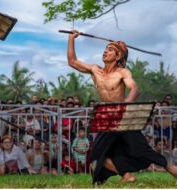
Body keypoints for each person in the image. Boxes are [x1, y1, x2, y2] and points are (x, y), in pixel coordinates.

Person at [67, 30, 177, 184]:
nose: (105, 51)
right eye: (105, 49)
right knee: (96, 156)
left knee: (140, 149)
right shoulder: (95, 70)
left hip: (123, 117)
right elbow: (72, 61)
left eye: (110, 49)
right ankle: (126, 175)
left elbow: (134, 88)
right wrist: (71, 38)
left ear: (118, 56)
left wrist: (123, 107)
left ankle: (171, 168)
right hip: (107, 119)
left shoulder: (122, 72)